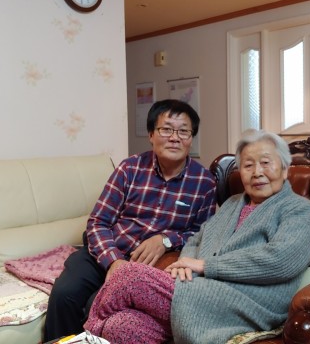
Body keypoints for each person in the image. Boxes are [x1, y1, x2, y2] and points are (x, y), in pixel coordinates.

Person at [83, 129, 310, 344]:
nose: (257, 172)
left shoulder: (298, 209)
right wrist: (184, 266)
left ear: (285, 169)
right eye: (248, 165)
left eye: (266, 163)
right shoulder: (233, 203)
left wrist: (206, 265)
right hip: (197, 291)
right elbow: (197, 239)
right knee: (120, 327)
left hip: (248, 300)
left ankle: (83, 337)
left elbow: (281, 260)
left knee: (127, 275)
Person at [44, 99, 217, 341]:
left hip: (148, 267)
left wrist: (166, 240)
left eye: (183, 131)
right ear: (151, 134)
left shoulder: (204, 183)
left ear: (191, 138)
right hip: (107, 252)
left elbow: (204, 234)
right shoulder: (130, 169)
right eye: (166, 129)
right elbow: (98, 222)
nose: (175, 137)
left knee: (98, 304)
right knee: (65, 294)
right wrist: (113, 261)